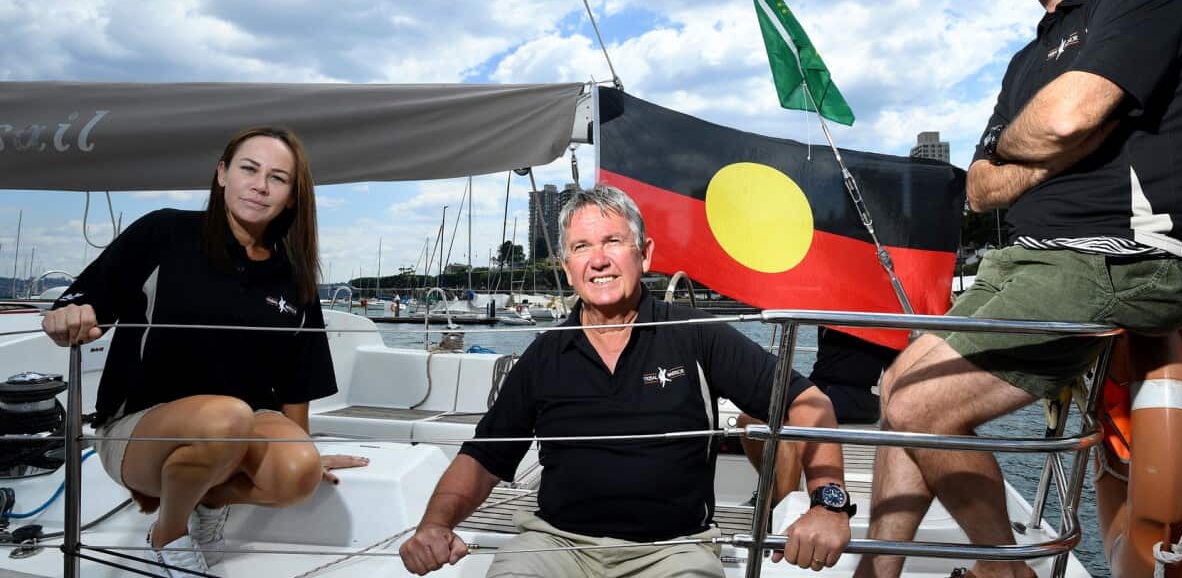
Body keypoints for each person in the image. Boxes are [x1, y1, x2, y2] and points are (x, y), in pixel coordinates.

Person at [854, 0, 1182, 578]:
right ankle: (880, 568)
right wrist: (1064, 139)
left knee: (924, 406)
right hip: (1026, 260)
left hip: (1123, 257)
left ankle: (1004, 571)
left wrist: (1065, 129)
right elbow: (984, 188)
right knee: (898, 383)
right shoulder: (1027, 59)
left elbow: (1067, 117)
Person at [399, 185, 853, 576]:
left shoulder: (696, 336)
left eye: (613, 241)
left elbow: (809, 402)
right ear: (566, 266)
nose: (598, 260)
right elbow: (483, 458)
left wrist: (828, 505)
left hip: (673, 551)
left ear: (645, 254)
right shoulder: (544, 355)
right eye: (581, 248)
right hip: (557, 545)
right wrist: (435, 525)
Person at [43, 127, 367, 577]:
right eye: (248, 169)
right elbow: (79, 305)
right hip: (140, 428)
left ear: (292, 197)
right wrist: (65, 318)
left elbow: (299, 379)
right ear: (222, 174)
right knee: (226, 417)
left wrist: (303, 450)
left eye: (278, 178)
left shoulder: (295, 278)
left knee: (297, 474)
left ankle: (210, 495)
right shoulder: (164, 232)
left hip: (245, 423)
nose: (260, 185)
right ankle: (169, 534)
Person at [739, 327, 897, 507]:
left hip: (854, 398)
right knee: (747, 420)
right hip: (818, 388)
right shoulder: (829, 316)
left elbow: (895, 373)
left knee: (790, 427)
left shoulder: (879, 322)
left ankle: (782, 507)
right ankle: (772, 493)